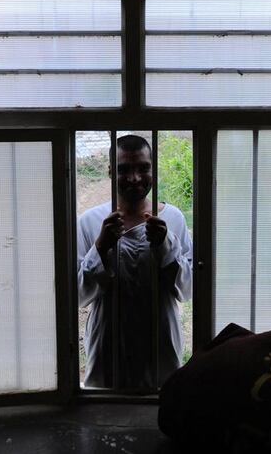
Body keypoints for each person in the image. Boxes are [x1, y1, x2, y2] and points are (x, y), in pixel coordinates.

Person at [77, 135, 193, 389]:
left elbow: (187, 290)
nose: (134, 178)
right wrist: (101, 247)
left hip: (159, 345)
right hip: (110, 346)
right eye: (124, 169)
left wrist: (166, 244)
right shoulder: (89, 222)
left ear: (153, 169)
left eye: (143, 168)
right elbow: (78, 295)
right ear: (110, 171)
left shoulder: (173, 218)